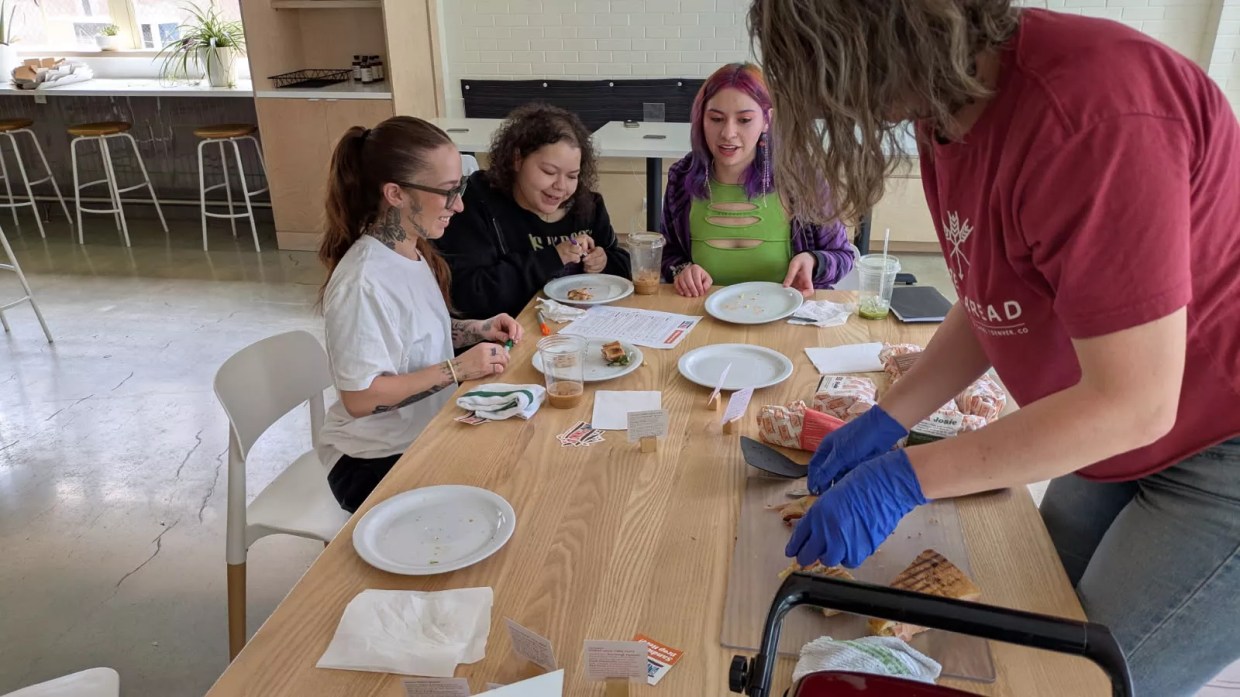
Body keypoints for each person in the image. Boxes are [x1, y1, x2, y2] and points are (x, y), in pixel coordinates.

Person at [750, 1, 1240, 694]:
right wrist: (889, 417)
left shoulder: (1089, 115)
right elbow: (994, 298)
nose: (838, 105)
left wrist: (905, 478)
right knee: (1023, 630)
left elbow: (1135, 402)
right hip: (1113, 429)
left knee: (1075, 681)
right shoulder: (942, 105)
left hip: (1219, 449)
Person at [316, 116, 524, 513]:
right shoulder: (362, 282)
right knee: (507, 490)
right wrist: (458, 369)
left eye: (461, 187)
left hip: (423, 433)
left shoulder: (411, 249)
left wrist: (477, 329)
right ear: (395, 194)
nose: (459, 205)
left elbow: (414, 337)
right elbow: (360, 398)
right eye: (448, 192)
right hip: (371, 460)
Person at [659, 62, 854, 298]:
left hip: (786, 314)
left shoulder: (801, 178)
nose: (728, 133)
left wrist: (813, 261)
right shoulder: (682, 177)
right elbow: (667, 253)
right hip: (702, 312)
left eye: (744, 120)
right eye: (716, 119)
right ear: (702, 119)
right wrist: (682, 270)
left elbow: (843, 257)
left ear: (767, 120)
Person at [436, 104, 632, 319]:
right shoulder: (477, 204)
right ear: (517, 159)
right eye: (549, 172)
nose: (561, 187)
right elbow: (469, 295)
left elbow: (624, 267)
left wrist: (603, 262)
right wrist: (552, 258)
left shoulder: (586, 205)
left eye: (572, 176)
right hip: (508, 332)